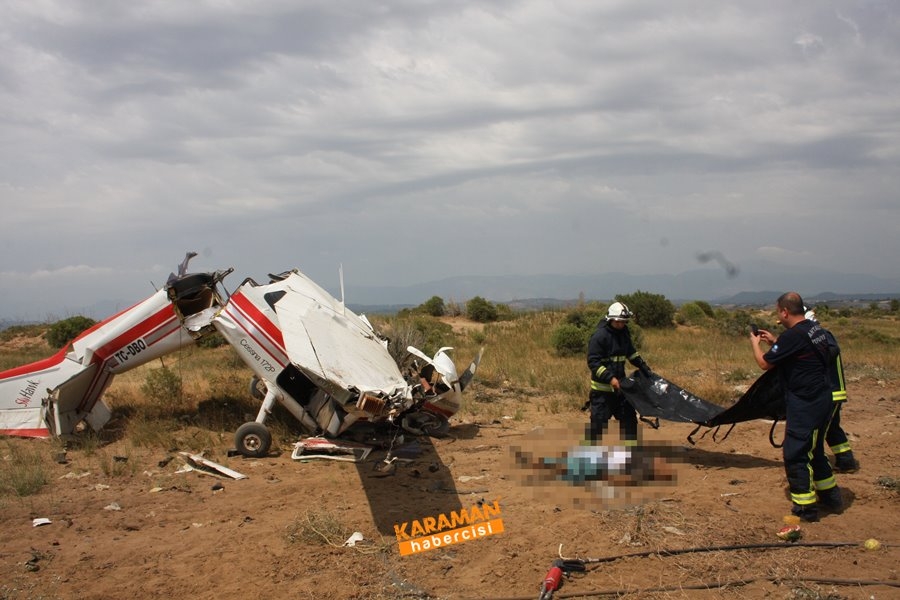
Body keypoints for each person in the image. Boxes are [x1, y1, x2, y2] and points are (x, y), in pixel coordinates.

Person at [751, 292, 841, 522]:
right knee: (815, 450)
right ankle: (831, 496)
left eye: (778, 312)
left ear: (784, 311)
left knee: (796, 453)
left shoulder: (793, 336)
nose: (778, 317)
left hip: (806, 404)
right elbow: (802, 351)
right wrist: (774, 342)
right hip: (823, 399)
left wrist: (755, 344)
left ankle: (805, 508)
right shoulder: (815, 329)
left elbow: (764, 364)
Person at [586, 301, 653, 444]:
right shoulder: (599, 337)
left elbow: (631, 353)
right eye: (618, 322)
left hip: (621, 390)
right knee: (597, 426)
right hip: (602, 393)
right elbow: (594, 363)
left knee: (630, 423)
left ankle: (630, 455)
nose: (621, 325)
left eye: (624, 322)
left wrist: (642, 366)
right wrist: (611, 379)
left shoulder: (624, 334)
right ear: (610, 319)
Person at [805, 308, 860, 473]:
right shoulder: (819, 337)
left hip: (831, 392)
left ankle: (821, 467)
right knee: (832, 428)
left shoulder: (822, 336)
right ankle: (846, 461)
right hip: (831, 393)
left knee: (821, 431)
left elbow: (831, 351)